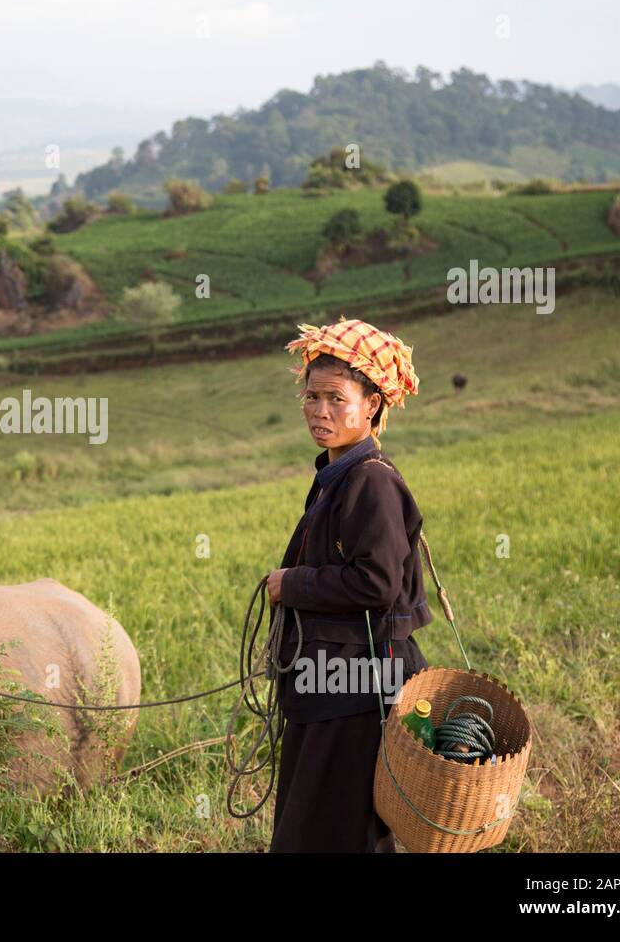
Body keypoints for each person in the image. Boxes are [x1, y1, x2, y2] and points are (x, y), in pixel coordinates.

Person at [263, 315, 432, 852]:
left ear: (372, 405)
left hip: (357, 687)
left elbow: (377, 584)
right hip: (330, 683)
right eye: (312, 398)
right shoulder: (337, 477)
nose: (320, 412)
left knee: (334, 833)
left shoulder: (372, 483)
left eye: (337, 399)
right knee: (315, 826)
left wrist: (293, 584)